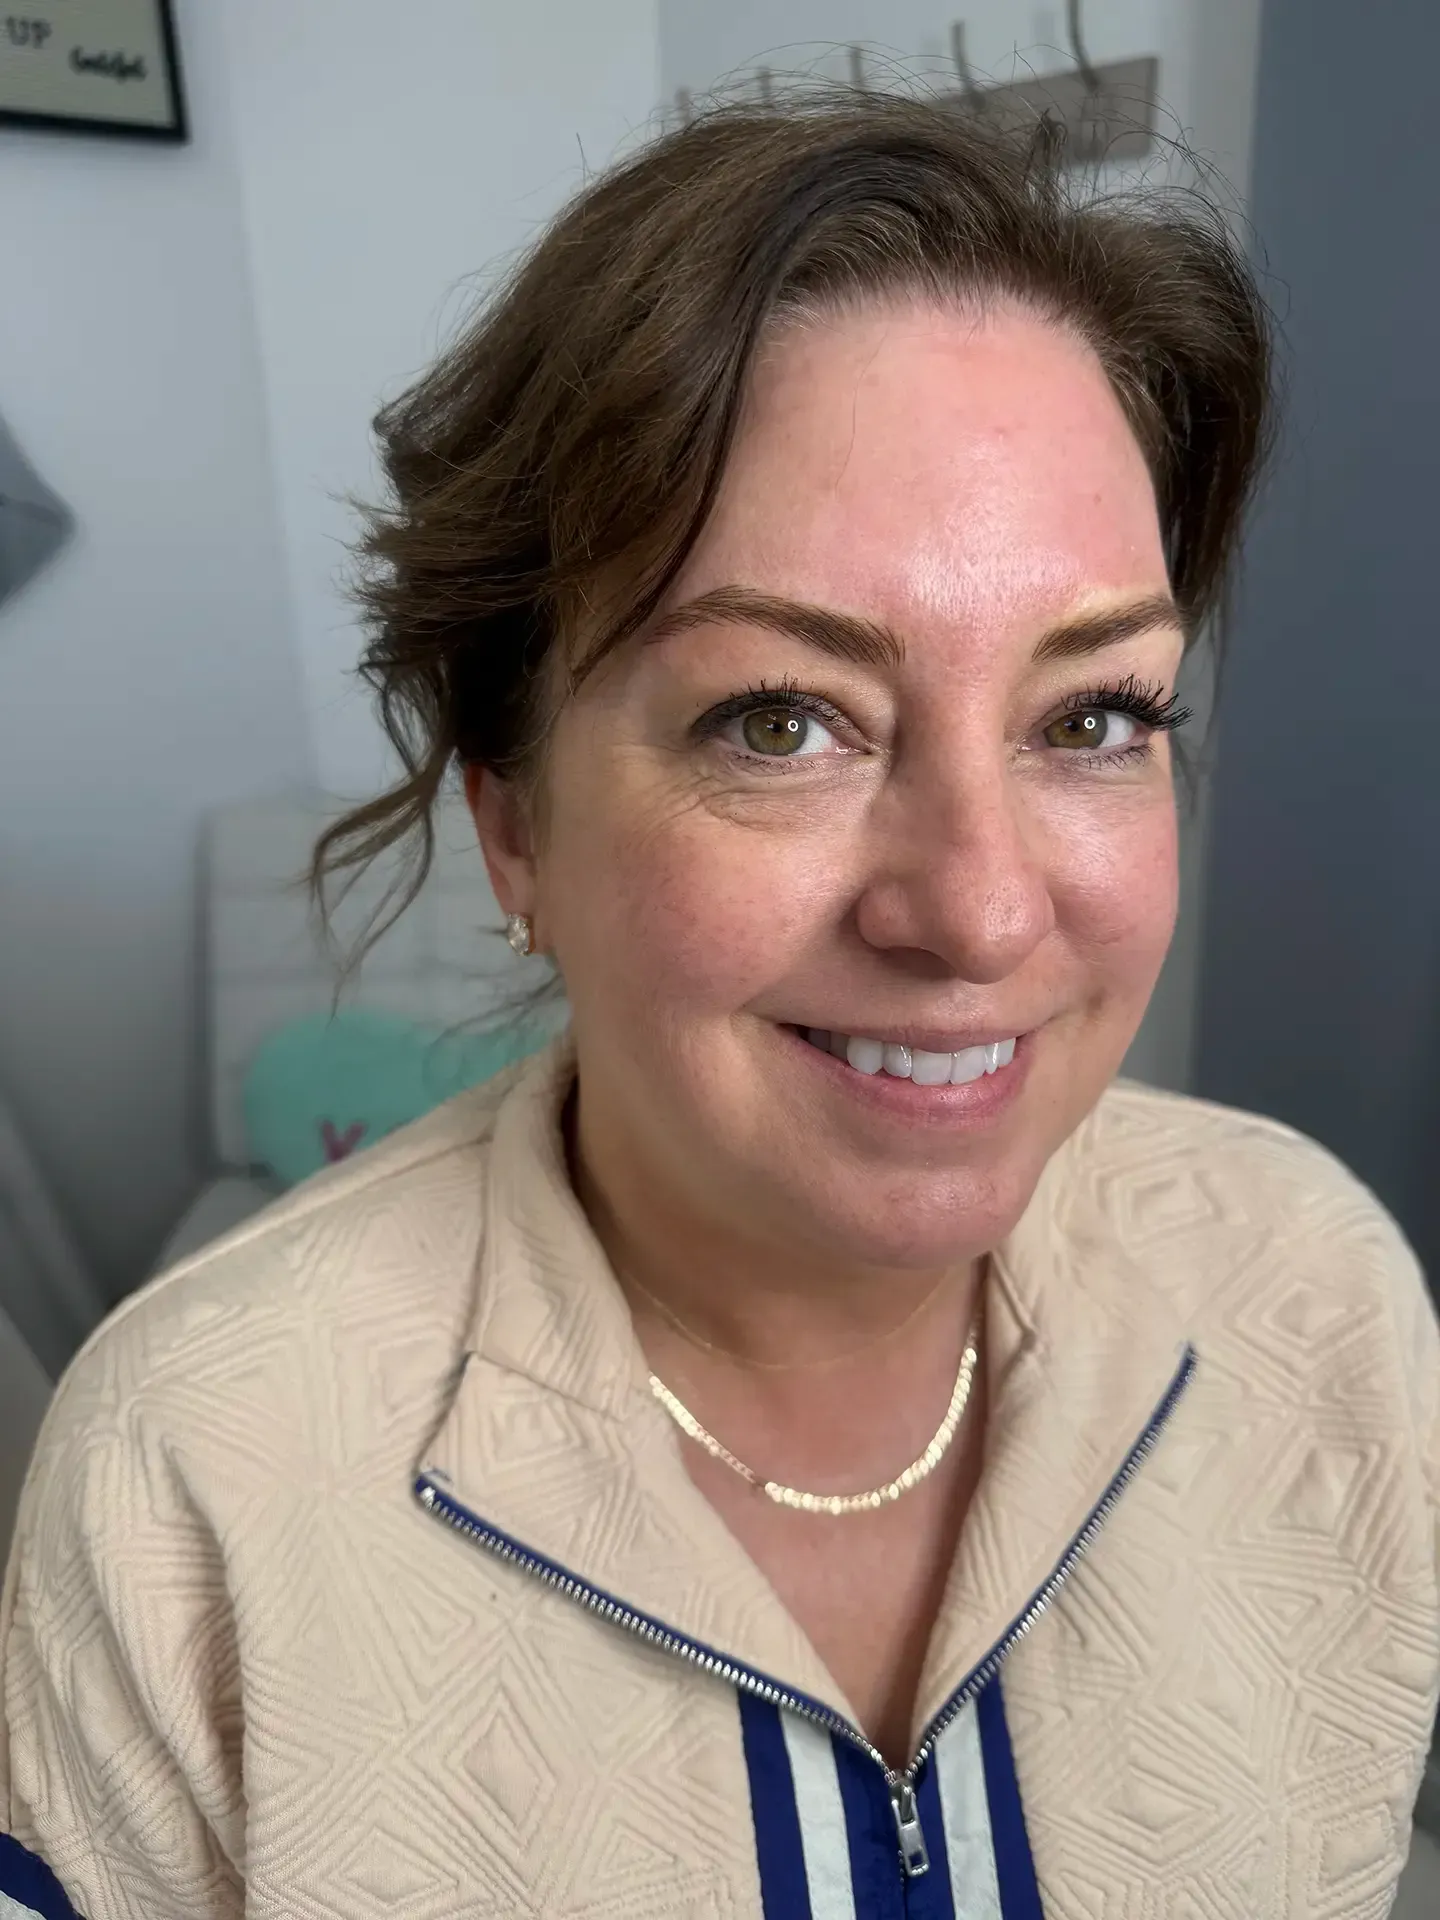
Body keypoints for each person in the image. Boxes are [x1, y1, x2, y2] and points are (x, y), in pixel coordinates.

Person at [2, 88, 1437, 1920]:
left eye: (1093, 718)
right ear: (511, 817)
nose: (984, 906)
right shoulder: (192, 1491)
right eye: (781, 719)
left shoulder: (1314, 1303)